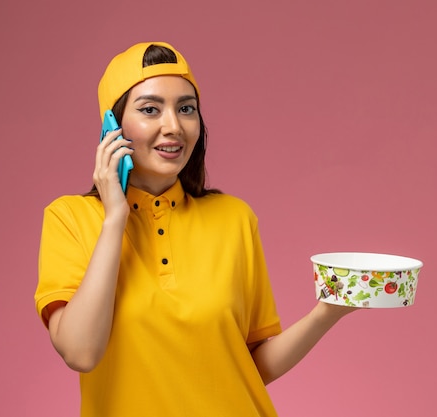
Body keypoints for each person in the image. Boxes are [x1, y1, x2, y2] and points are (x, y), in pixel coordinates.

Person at [35, 41, 356, 417]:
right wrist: (114, 219)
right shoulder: (70, 218)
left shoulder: (234, 218)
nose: (174, 126)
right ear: (112, 126)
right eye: (150, 109)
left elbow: (248, 368)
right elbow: (81, 352)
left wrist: (328, 311)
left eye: (186, 109)